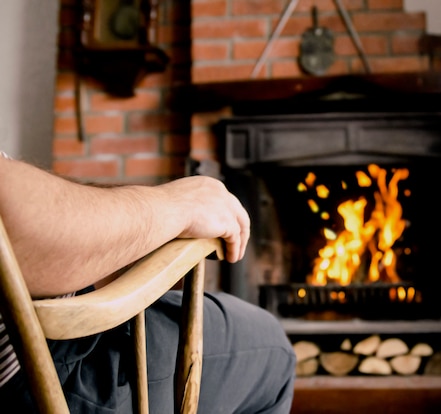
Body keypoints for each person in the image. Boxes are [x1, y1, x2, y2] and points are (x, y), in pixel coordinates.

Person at [0, 152, 296, 413]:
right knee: (274, 353)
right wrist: (178, 205)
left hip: (42, 346)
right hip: (44, 374)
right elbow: (15, 228)